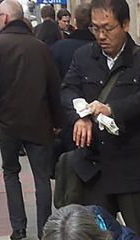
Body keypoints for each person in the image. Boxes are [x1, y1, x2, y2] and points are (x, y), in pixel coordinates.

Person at [60, 0, 140, 240]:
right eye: (95, 29)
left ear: (125, 25)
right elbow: (67, 90)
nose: (101, 36)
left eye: (107, 28)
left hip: (130, 166)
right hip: (93, 168)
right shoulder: (83, 57)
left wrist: (110, 108)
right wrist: (81, 115)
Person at [0, 0, 63, 240]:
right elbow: (54, 88)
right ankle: (45, 229)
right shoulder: (40, 47)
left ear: (5, 17)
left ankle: (18, 227)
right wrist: (57, 120)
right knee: (41, 176)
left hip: (8, 123)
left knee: (11, 173)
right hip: (39, 121)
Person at [49, 3, 95, 161]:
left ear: (75, 20)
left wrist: (54, 119)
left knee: (71, 167)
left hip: (67, 117)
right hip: (99, 115)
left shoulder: (59, 48)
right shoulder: (101, 48)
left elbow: (52, 85)